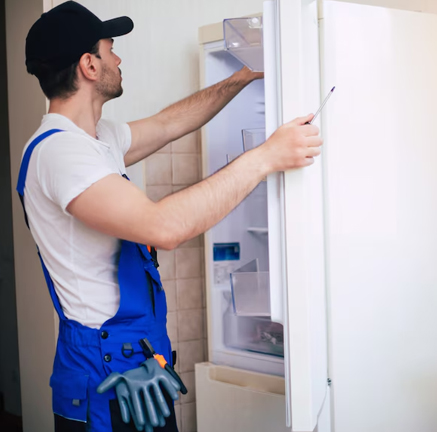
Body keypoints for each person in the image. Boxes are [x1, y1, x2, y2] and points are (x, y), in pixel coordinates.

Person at [18, 2, 322, 432]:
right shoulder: (60, 152)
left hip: (134, 357)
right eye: (110, 49)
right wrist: (266, 157)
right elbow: (164, 228)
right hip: (101, 374)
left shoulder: (95, 138)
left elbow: (168, 124)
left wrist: (243, 75)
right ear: (89, 65)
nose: (118, 58)